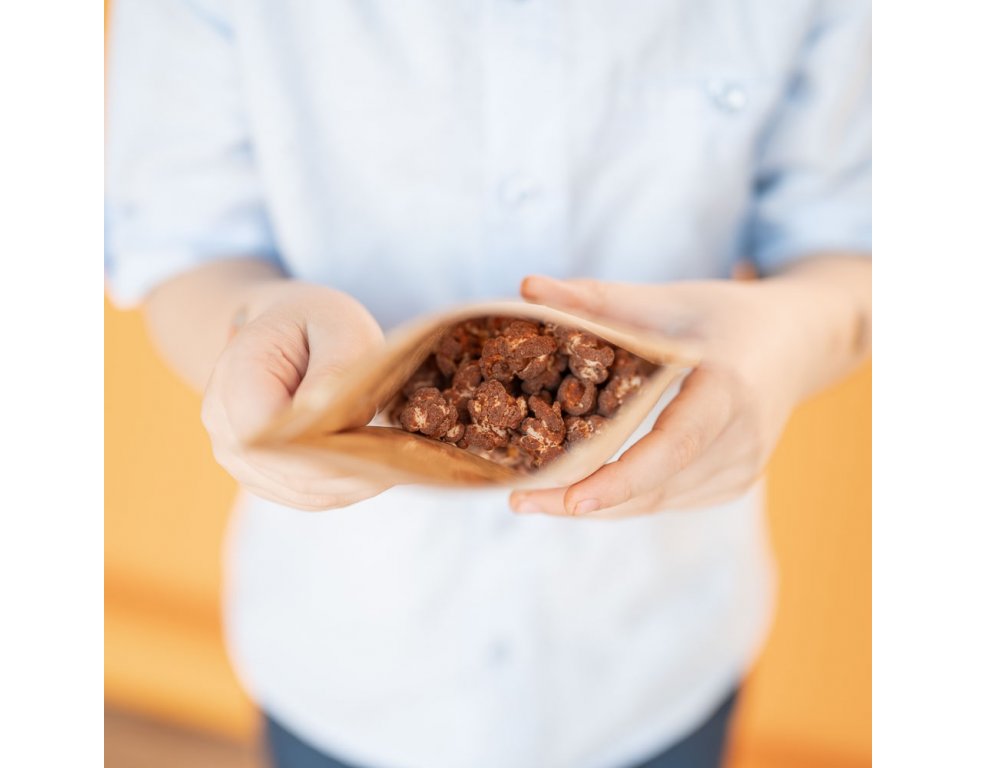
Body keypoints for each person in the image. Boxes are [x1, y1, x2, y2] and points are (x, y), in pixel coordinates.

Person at [105, 1, 871, 766]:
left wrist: (788, 339)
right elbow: (181, 246)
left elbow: (854, 249)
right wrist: (256, 333)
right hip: (347, 650)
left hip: (653, 653)